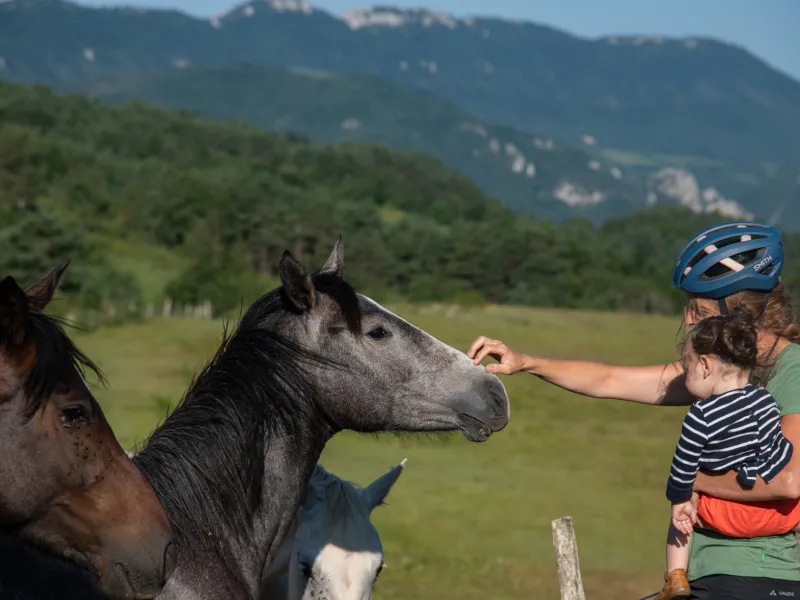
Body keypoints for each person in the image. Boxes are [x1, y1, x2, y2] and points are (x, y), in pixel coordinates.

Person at [468, 222, 800, 600]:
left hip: (755, 577)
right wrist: (525, 361)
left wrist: (689, 480)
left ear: (736, 313)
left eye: (698, 308)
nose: (689, 319)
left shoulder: (793, 370)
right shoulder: (717, 371)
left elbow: (790, 480)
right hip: (703, 577)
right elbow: (610, 379)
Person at [659, 309, 798, 600]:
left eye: (688, 367)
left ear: (706, 366)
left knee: (682, 516)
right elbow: (780, 447)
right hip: (777, 518)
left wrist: (680, 496)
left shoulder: (701, 414)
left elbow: (684, 465)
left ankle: (676, 578)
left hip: (724, 516)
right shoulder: (765, 399)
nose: (686, 375)